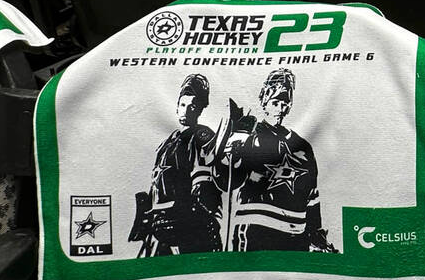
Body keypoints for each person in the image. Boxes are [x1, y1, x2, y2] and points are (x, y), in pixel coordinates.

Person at [217, 69, 335, 253]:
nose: (280, 109)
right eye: (275, 102)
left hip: (297, 234)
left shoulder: (303, 147)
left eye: (285, 103)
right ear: (264, 99)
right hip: (255, 231)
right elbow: (225, 181)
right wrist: (232, 146)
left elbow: (312, 195)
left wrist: (315, 233)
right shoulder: (248, 136)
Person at [130, 74, 221, 256]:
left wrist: (193, 218)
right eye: (182, 104)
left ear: (201, 109)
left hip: (184, 227)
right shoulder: (166, 143)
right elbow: (156, 185)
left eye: (192, 106)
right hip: (158, 226)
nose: (185, 110)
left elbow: (203, 186)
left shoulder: (201, 136)